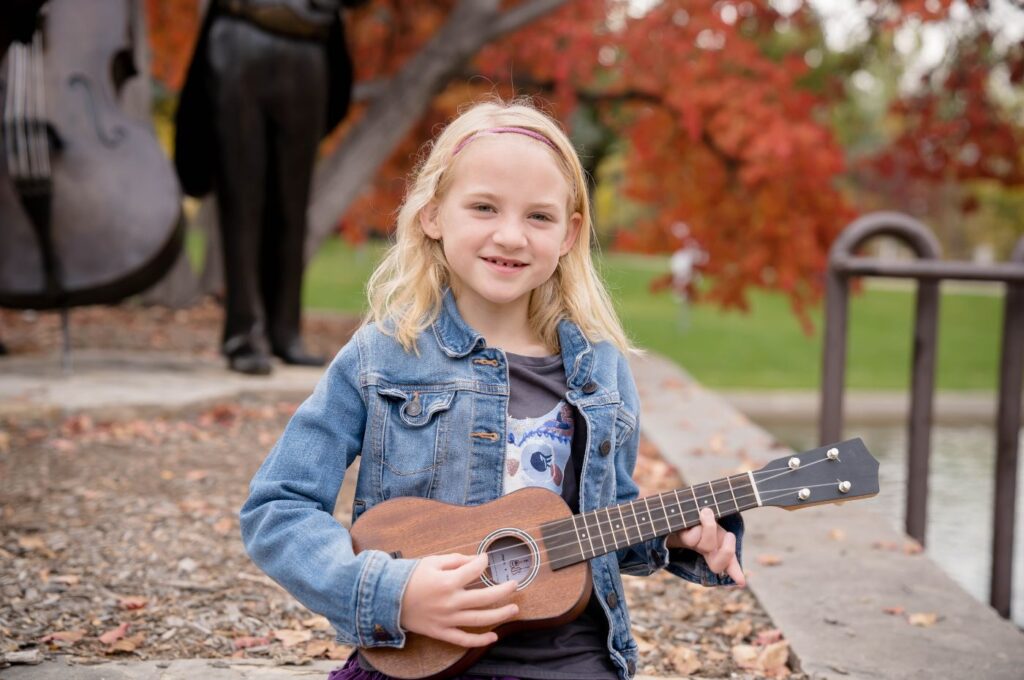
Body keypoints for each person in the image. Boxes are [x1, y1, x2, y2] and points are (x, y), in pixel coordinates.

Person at [239, 98, 744, 680]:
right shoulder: (382, 356)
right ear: (433, 215)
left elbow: (601, 522)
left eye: (538, 217)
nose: (510, 236)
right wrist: (392, 592)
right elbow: (277, 506)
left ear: (568, 234)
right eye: (483, 207)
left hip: (568, 664)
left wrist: (674, 534)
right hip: (416, 656)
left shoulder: (602, 370)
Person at [175, 0, 365, 375]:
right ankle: (243, 334)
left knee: (292, 206)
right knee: (241, 200)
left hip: (308, 42)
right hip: (239, 35)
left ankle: (285, 331)